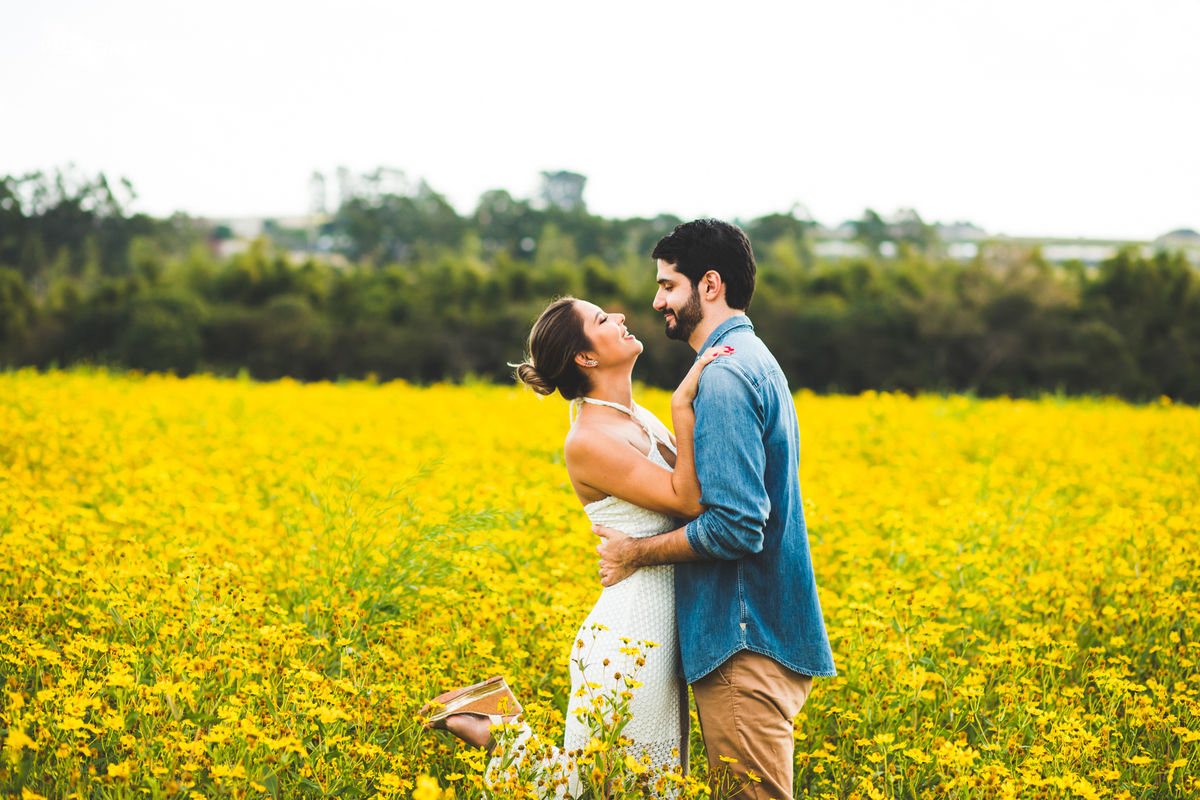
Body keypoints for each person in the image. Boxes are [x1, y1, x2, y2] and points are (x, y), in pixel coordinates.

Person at [422, 296, 731, 795]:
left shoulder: (635, 417)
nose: (623, 317)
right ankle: (497, 734)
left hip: (658, 630)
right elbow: (690, 499)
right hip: (631, 640)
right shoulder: (588, 436)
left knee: (635, 783)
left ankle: (499, 723)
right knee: (616, 787)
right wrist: (683, 406)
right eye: (604, 320)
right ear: (585, 358)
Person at [593, 219, 837, 800]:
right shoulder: (750, 358)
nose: (657, 301)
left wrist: (634, 553)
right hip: (754, 634)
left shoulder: (724, 376)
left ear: (709, 284)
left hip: (742, 639)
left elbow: (736, 527)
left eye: (668, 286)